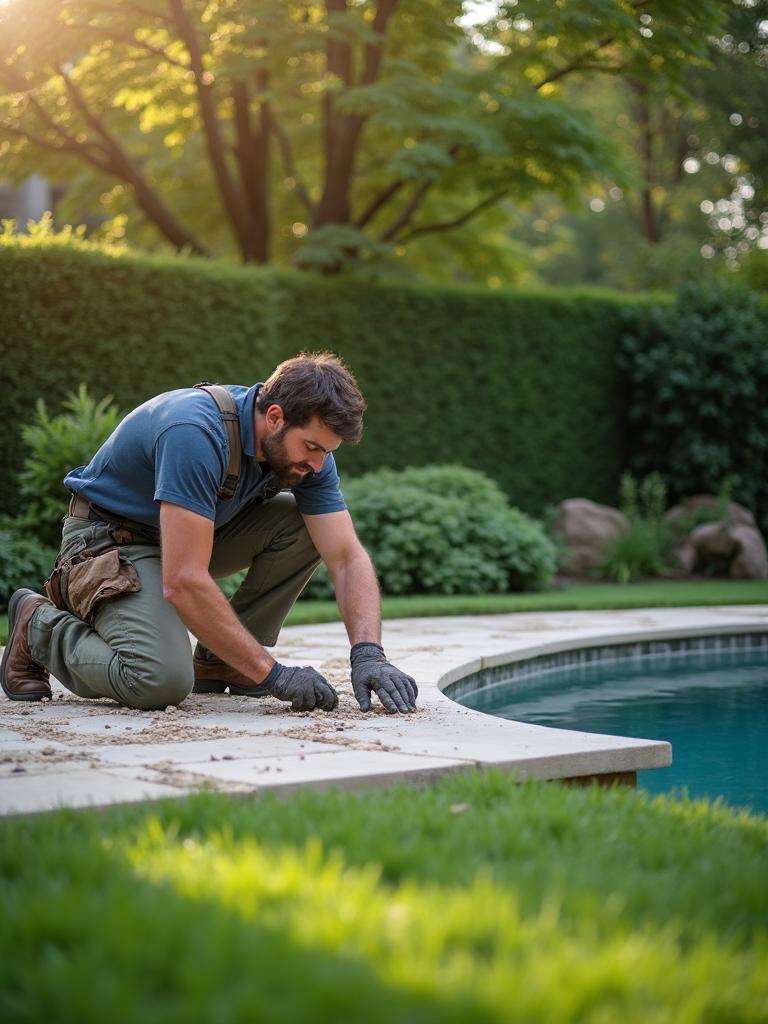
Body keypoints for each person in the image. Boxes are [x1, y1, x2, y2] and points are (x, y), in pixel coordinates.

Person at [1, 353, 418, 715]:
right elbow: (183, 580)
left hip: (185, 537)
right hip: (107, 542)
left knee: (303, 526)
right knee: (158, 680)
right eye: (312, 447)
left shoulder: (308, 457)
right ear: (275, 417)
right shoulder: (195, 432)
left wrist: (368, 653)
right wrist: (273, 675)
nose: (318, 464)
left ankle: (222, 661)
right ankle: (38, 625)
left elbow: (346, 556)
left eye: (327, 451)